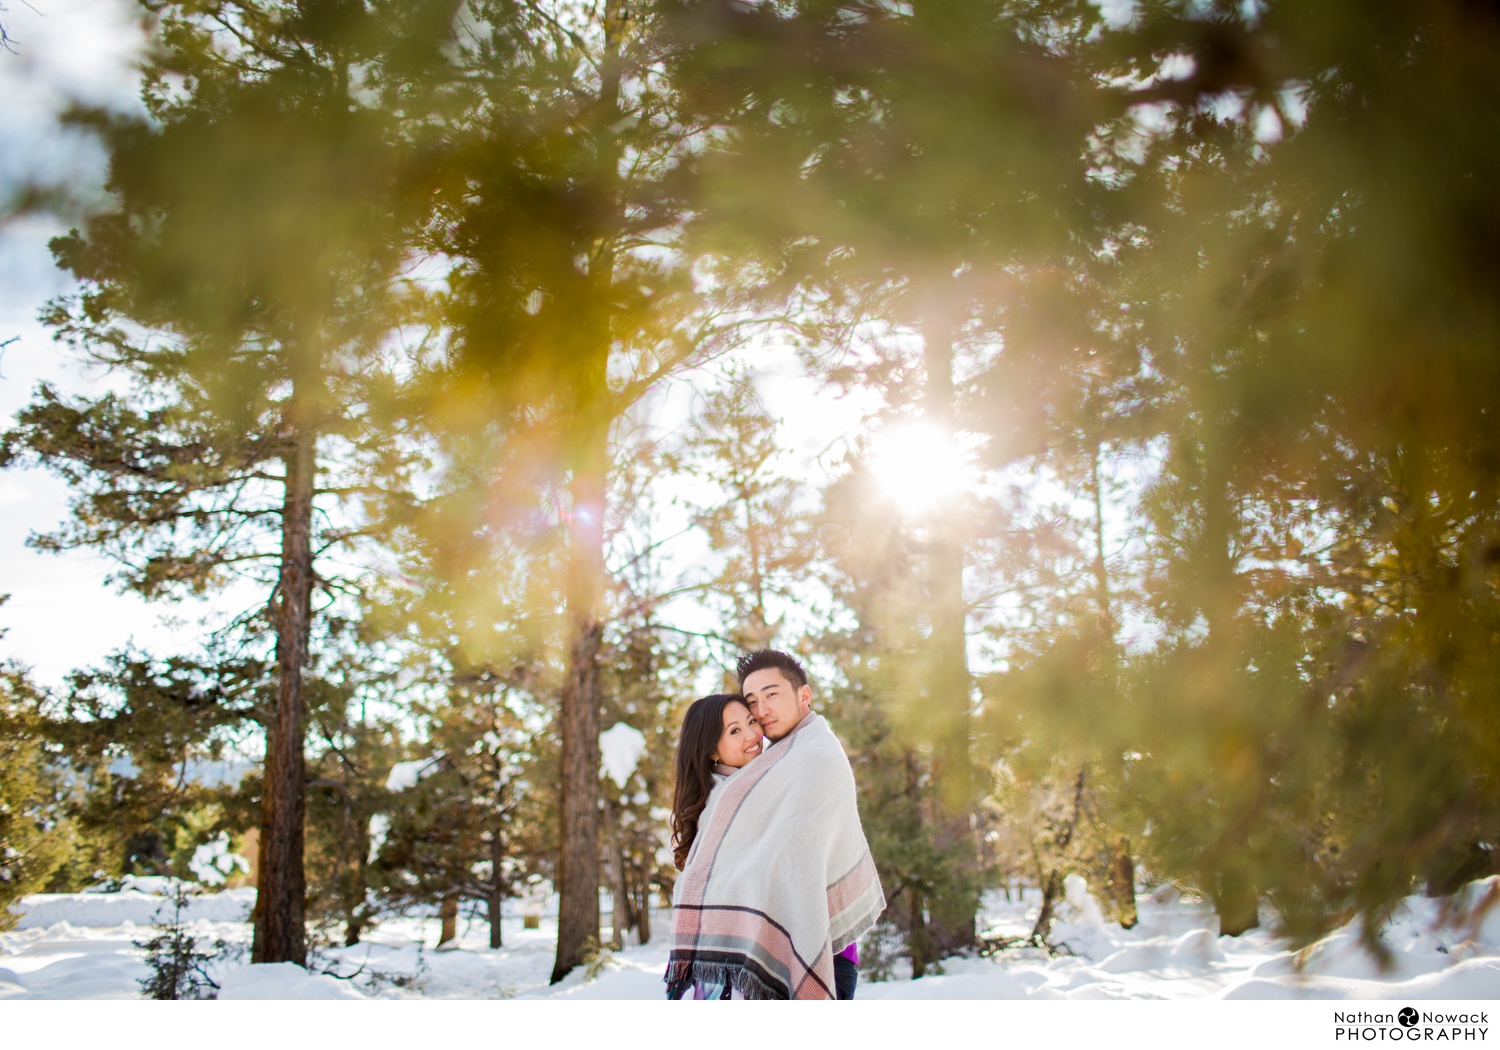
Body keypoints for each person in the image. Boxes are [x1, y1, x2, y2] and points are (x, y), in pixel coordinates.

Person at [665, 649, 885, 1000]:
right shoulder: (761, 771)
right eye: (752, 702)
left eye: (772, 694)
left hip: (821, 951)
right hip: (754, 955)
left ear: (804, 695)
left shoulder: (815, 758)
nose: (761, 711)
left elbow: (790, 856)